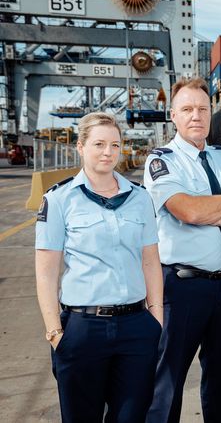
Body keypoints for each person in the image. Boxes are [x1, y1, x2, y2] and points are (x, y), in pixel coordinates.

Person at [35, 112, 163, 422]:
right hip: (82, 328)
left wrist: (156, 318)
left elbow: (150, 260)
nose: (108, 152)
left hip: (135, 326)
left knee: (132, 416)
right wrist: (55, 333)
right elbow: (46, 272)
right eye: (99, 144)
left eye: (115, 145)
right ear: (80, 147)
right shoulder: (59, 199)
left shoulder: (140, 198)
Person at [144, 77, 221, 423]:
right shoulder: (162, 160)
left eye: (203, 109)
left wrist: (213, 213)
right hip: (181, 287)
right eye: (187, 109)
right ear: (173, 115)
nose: (196, 116)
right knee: (167, 382)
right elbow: (187, 210)